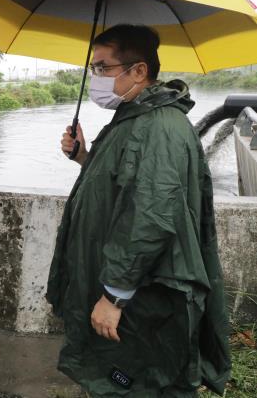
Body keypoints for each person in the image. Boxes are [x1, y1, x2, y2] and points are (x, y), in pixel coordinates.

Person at [46, 24, 231, 397]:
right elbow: (126, 184)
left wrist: (113, 296)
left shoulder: (160, 127)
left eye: (102, 67)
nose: (94, 77)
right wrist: (83, 155)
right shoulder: (137, 116)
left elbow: (150, 218)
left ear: (139, 71)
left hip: (145, 296)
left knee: (144, 382)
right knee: (127, 376)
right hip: (136, 292)